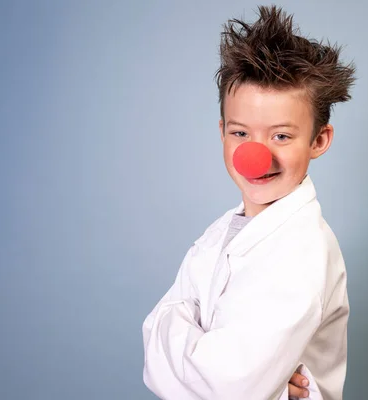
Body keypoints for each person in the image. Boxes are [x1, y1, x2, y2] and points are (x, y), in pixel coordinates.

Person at [142, 5, 355, 399]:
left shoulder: (301, 251)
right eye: (241, 132)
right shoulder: (223, 231)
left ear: (319, 140)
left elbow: (225, 386)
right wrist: (262, 383)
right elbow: (153, 354)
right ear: (222, 131)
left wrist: (178, 325)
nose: (255, 156)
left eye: (281, 136)